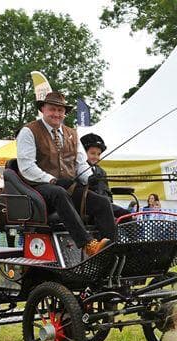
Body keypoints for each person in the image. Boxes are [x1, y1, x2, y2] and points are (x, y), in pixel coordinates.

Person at [16, 91, 112, 256]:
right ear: (43, 109)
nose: (57, 114)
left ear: (65, 113)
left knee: (102, 202)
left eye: (60, 111)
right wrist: (52, 180)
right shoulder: (29, 131)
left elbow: (80, 164)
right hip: (37, 188)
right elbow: (26, 167)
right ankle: (88, 244)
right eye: (52, 109)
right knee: (59, 192)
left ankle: (111, 250)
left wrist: (90, 177)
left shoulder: (72, 134)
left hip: (67, 188)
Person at [80, 133, 130, 219]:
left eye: (99, 154)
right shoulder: (79, 170)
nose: (96, 157)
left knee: (128, 215)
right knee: (125, 215)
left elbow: (107, 193)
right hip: (88, 207)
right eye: (93, 153)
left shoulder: (102, 172)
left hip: (105, 206)